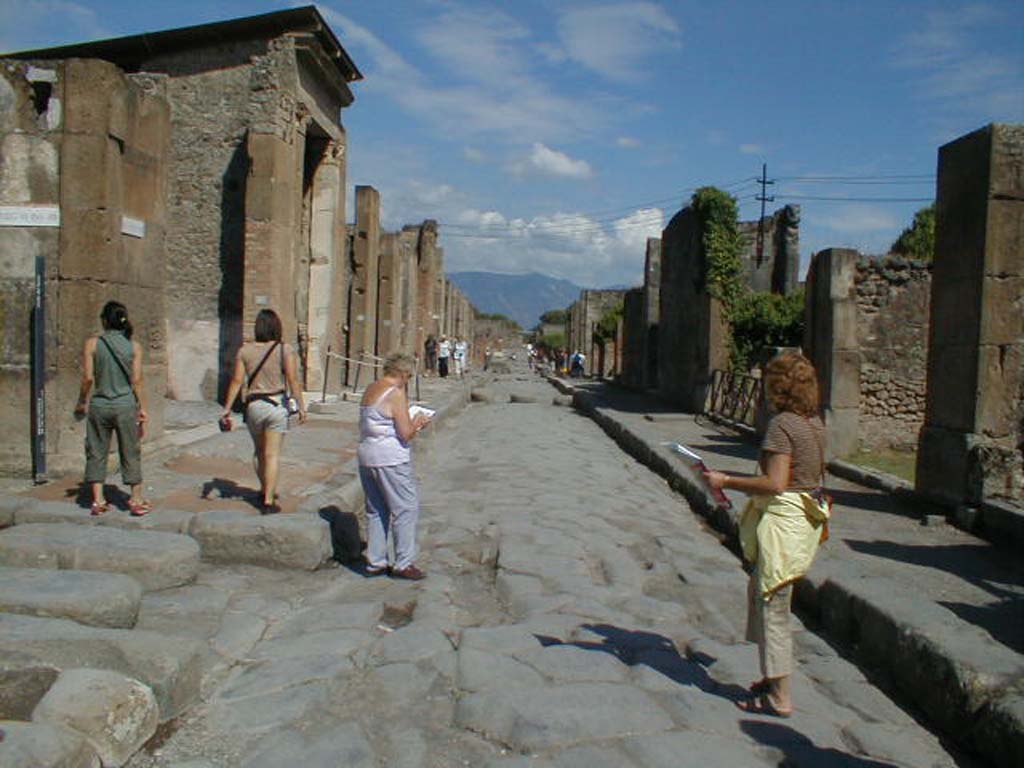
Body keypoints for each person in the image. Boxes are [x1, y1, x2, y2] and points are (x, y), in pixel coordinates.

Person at [704, 352, 829, 718]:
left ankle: (780, 696)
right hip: (803, 517)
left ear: (779, 386)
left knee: (773, 605)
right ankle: (770, 676)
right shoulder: (814, 423)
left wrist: (725, 480)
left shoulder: (782, 425)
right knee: (761, 592)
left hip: (784, 520)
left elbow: (775, 483)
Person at [221, 309, 307, 513]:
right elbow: (293, 380)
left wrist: (226, 409)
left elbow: (236, 381)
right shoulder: (284, 350)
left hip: (254, 406)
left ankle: (263, 488)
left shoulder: (245, 351)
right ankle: (268, 499)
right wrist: (301, 406)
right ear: (277, 327)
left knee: (259, 452)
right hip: (276, 405)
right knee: (272, 454)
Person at [357, 353, 431, 580]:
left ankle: (375, 560)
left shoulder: (371, 389)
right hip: (390, 457)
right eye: (408, 376)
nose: (407, 380)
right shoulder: (395, 393)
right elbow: (405, 433)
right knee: (405, 508)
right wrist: (419, 422)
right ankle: (403, 562)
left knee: (377, 509)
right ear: (402, 373)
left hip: (367, 454)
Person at [75, 301, 150, 516]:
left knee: (96, 450)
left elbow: (88, 378)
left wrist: (82, 400)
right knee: (131, 451)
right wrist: (143, 408)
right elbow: (137, 380)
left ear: (104, 321)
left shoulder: (92, 344)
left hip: (99, 404)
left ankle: (98, 500)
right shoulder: (134, 347)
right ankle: (136, 499)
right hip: (126, 405)